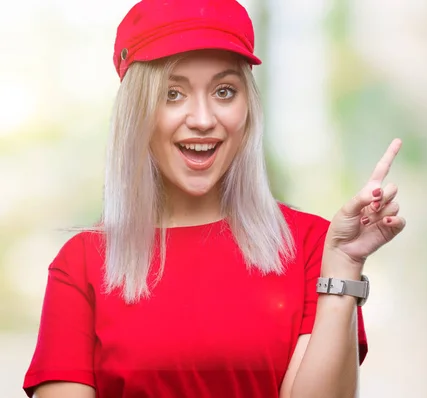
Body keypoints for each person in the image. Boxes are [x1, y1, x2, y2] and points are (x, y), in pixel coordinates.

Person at [22, 0, 406, 397]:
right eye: (173, 94)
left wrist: (344, 266)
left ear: (248, 109)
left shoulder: (315, 246)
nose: (204, 119)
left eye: (225, 91)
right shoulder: (82, 263)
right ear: (136, 113)